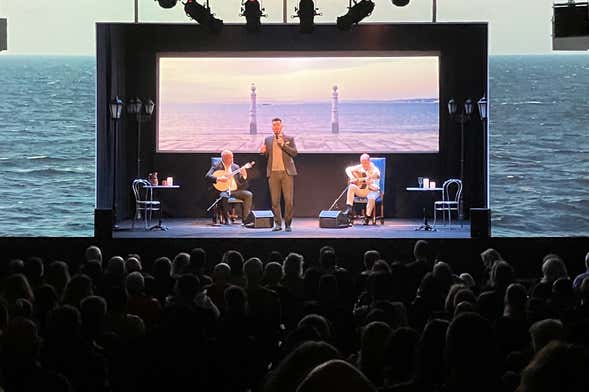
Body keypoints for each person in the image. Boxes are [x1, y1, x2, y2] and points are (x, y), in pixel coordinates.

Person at [259, 117, 298, 232]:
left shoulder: (289, 139)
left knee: (288, 200)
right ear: (272, 127)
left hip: (287, 173)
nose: (276, 127)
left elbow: (294, 153)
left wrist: (283, 145)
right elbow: (267, 155)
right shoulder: (268, 140)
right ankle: (277, 224)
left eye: (278, 125)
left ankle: (288, 224)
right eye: (274, 125)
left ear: (281, 126)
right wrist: (263, 152)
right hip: (273, 173)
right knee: (275, 201)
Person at [205, 149, 253, 224]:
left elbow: (241, 182)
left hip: (235, 190)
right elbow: (207, 176)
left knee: (248, 194)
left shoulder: (235, 166)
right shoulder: (217, 166)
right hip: (223, 190)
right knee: (224, 196)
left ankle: (246, 219)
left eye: (232, 157)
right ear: (224, 159)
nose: (232, 159)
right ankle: (226, 218)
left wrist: (244, 176)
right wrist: (219, 178)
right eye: (230, 158)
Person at [343, 153, 380, 225]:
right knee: (351, 187)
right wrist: (353, 178)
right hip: (362, 190)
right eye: (362, 163)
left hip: (371, 190)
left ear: (369, 161)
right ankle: (349, 210)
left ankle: (367, 216)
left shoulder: (375, 170)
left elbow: (376, 180)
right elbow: (347, 169)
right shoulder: (360, 167)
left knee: (371, 196)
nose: (364, 165)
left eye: (365, 163)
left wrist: (369, 180)